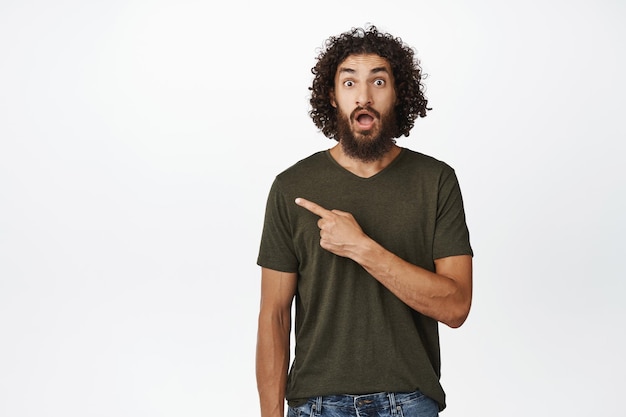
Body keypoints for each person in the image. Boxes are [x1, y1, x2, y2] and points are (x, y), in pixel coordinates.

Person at [256, 25, 473, 417]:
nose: (364, 96)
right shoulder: (292, 186)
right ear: (332, 95)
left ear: (398, 93)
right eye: (349, 82)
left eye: (378, 81)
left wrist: (361, 247)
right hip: (316, 405)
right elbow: (274, 315)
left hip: (410, 402)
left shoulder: (435, 180)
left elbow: (456, 306)